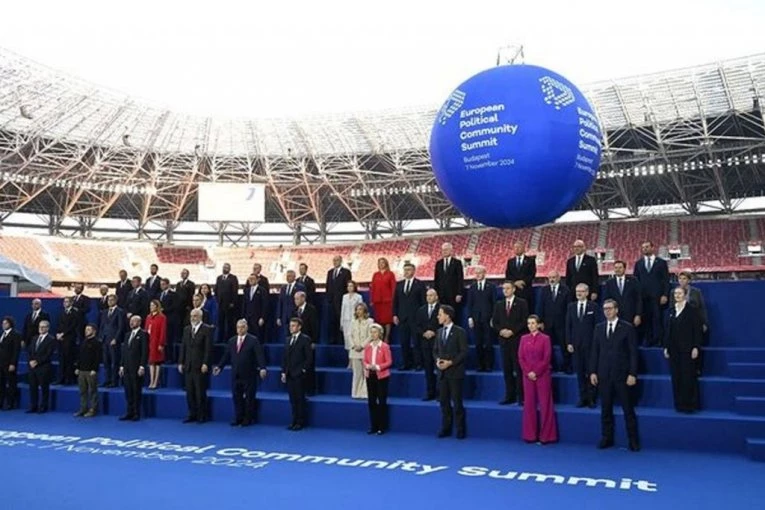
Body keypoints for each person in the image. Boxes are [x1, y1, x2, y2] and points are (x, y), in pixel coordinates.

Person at [590, 299, 640, 451]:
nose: (607, 311)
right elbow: (595, 351)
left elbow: (633, 353)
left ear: (616, 310)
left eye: (610, 308)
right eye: (605, 309)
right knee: (605, 409)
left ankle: (633, 440)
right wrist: (593, 371)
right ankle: (607, 437)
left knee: (628, 409)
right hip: (604, 375)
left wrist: (632, 373)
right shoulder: (599, 328)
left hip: (622, 375)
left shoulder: (627, 328)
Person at [214, 319, 267, 427]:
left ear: (246, 328)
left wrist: (262, 368)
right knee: (236, 397)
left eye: (242, 327)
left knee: (249, 397)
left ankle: (248, 418)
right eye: (238, 327)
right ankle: (238, 417)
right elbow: (226, 356)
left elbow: (259, 355)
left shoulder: (253, 340)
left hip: (249, 374)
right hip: (235, 373)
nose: (240, 329)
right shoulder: (232, 341)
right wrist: (219, 367)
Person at [519, 315, 557, 444]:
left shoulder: (545, 339)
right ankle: (530, 435)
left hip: (542, 375)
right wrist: (528, 372)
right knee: (529, 404)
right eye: (529, 323)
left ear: (539, 325)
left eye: (533, 323)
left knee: (545, 404)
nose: (530, 326)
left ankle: (547, 436)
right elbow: (521, 358)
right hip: (527, 376)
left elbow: (546, 358)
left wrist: (536, 371)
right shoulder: (523, 339)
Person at [664, 287, 703, 413]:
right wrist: (666, 347)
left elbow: (697, 330)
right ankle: (679, 404)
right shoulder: (670, 311)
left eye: (680, 293)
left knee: (688, 377)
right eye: (675, 293)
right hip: (673, 350)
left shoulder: (692, 311)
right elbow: (667, 331)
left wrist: (696, 347)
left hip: (687, 349)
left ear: (685, 295)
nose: (677, 295)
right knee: (676, 377)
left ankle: (690, 405)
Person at [492, 281, 529, 405]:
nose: (505, 291)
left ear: (513, 289)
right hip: (504, 341)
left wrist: (512, 331)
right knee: (507, 369)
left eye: (507, 288)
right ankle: (509, 395)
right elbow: (495, 322)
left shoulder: (522, 303)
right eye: (503, 289)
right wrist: (501, 331)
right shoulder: (499, 304)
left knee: (518, 369)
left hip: (517, 340)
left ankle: (521, 397)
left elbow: (524, 321)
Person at [434, 305, 468, 439]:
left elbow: (464, 351)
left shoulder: (460, 332)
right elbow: (435, 351)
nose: (438, 316)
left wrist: (451, 362)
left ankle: (460, 429)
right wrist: (437, 361)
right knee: (444, 402)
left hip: (455, 372)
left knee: (457, 402)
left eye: (440, 314)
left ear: (447, 315)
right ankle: (446, 428)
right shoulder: (439, 332)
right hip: (442, 374)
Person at [565, 284, 598, 408]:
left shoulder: (594, 306)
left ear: (587, 292)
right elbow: (568, 326)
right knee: (579, 372)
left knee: (591, 372)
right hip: (576, 345)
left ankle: (591, 398)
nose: (579, 293)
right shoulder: (571, 307)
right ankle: (582, 398)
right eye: (577, 291)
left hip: (590, 345)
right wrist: (569, 342)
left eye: (582, 291)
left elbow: (597, 326)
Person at [178, 309, 213, 423]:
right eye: (191, 316)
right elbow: (183, 347)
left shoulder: (207, 329)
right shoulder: (186, 329)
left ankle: (202, 415)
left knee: (200, 392)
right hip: (188, 365)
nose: (193, 318)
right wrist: (180, 362)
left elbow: (208, 349)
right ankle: (192, 414)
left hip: (200, 365)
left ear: (200, 317)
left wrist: (205, 363)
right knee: (189, 392)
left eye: (195, 316)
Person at [633, 241, 670, 346]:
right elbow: (636, 281)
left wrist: (665, 294)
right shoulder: (638, 263)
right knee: (646, 320)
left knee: (658, 319)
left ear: (653, 248)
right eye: (643, 247)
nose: (645, 249)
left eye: (647, 247)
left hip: (657, 297)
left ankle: (659, 341)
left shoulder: (661, 262)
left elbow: (666, 280)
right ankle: (648, 340)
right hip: (643, 297)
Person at [392, 263, 426, 371]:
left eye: (409, 270)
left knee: (416, 342)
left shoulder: (419, 284)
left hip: (415, 318)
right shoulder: (399, 284)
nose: (406, 272)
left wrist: (421, 317)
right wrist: (395, 314)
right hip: (403, 318)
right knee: (404, 342)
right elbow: (395, 301)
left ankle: (418, 364)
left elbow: (423, 302)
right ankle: (406, 363)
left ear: (414, 271)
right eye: (405, 270)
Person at [281, 318, 313, 431]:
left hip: (299, 374)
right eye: (290, 325)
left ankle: (300, 422)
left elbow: (309, 358)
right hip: (289, 374)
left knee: (300, 399)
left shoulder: (305, 339)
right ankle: (293, 420)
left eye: (294, 326)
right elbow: (285, 358)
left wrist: (303, 370)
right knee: (292, 399)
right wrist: (283, 372)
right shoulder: (287, 340)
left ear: (299, 327)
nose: (291, 328)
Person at [537, 272, 571, 372]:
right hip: (547, 323)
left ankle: (567, 366)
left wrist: (567, 322)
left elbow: (568, 308)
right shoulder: (544, 290)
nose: (552, 279)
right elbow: (540, 306)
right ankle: (551, 366)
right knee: (547, 347)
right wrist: (540, 321)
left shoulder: (566, 290)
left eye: (554, 277)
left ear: (559, 278)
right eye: (550, 277)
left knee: (564, 346)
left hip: (561, 323)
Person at [466, 266, 496, 372]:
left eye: (479, 272)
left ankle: (488, 365)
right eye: (476, 273)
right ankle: (480, 365)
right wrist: (470, 317)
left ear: (484, 273)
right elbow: (470, 304)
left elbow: (494, 303)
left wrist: (493, 317)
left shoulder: (491, 286)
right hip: (476, 319)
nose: (477, 275)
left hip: (488, 318)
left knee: (488, 343)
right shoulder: (472, 287)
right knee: (478, 343)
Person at [364, 323, 392, 435]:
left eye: (375, 332)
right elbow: (365, 360)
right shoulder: (368, 347)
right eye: (371, 332)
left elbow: (389, 361)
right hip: (370, 375)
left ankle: (382, 426)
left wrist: (378, 367)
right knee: (371, 401)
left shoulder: (385, 347)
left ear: (380, 333)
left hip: (382, 376)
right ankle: (373, 426)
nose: (373, 334)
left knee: (381, 401)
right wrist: (367, 366)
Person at [119, 316, 148, 421]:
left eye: (134, 321)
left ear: (139, 322)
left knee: (136, 390)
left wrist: (142, 366)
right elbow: (124, 351)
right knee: (128, 391)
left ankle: (136, 413)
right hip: (126, 367)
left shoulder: (143, 334)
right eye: (130, 321)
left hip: (136, 367)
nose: (131, 323)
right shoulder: (127, 335)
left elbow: (144, 352)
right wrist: (121, 365)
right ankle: (129, 412)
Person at [416, 289, 441, 401]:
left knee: (440, 368)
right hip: (425, 342)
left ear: (436, 296)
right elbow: (417, 325)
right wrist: (424, 333)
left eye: (431, 295)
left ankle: (441, 393)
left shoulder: (442, 309)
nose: (429, 297)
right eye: (427, 295)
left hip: (438, 342)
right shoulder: (421, 310)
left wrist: (434, 332)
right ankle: (430, 392)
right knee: (428, 369)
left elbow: (445, 323)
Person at [602, 260, 642, 329]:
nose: (618, 270)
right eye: (616, 268)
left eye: (620, 267)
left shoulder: (633, 281)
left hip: (631, 316)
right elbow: (606, 300)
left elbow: (638, 299)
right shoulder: (609, 283)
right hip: (615, 316)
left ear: (624, 269)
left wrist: (638, 314)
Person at [27, 321, 56, 413]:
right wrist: (31, 361)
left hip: (43, 367)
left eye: (43, 327)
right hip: (33, 367)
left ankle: (43, 406)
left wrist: (37, 362)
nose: (41, 329)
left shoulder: (51, 339)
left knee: (44, 387)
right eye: (40, 327)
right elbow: (30, 351)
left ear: (47, 328)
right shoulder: (34, 338)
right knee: (33, 387)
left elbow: (48, 354)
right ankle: (33, 406)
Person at [74, 324, 101, 418]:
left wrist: (94, 369)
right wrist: (77, 367)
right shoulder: (83, 341)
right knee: (82, 391)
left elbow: (97, 357)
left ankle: (93, 409)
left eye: (88, 329)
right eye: (86, 329)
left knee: (92, 391)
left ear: (94, 331)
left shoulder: (97, 342)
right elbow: (79, 356)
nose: (86, 331)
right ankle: (83, 408)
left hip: (91, 371)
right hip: (81, 370)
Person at [99, 294, 125, 388]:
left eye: (111, 300)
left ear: (115, 301)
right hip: (105, 339)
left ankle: (114, 381)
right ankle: (107, 380)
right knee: (106, 362)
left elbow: (120, 327)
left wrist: (116, 339)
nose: (109, 302)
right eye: (108, 300)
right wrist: (101, 337)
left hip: (113, 340)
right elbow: (102, 325)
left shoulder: (120, 311)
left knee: (114, 362)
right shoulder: (105, 312)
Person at [326, 256, 352, 345]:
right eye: (334, 260)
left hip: (342, 301)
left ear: (341, 261)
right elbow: (328, 286)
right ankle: (332, 339)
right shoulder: (330, 272)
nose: (335, 262)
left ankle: (341, 340)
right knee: (332, 321)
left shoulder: (346, 272)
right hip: (332, 301)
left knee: (341, 320)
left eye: (337, 260)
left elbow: (347, 285)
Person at [349, 302, 372, 399]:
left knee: (366, 373)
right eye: (357, 309)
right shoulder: (353, 321)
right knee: (357, 373)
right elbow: (349, 335)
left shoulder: (370, 321)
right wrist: (354, 345)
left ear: (365, 311)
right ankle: (356, 393)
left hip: (365, 350)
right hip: (354, 351)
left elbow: (370, 336)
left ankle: (365, 393)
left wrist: (362, 346)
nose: (359, 311)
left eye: (360, 309)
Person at [505, 241, 536, 313]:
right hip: (514, 291)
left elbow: (532, 274)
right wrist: (515, 283)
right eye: (515, 247)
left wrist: (523, 281)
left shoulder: (530, 260)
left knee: (526, 311)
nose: (517, 249)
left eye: (519, 247)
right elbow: (508, 275)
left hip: (526, 290)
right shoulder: (510, 261)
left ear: (523, 248)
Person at [370, 257, 396, 342]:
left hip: (387, 300)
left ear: (386, 264)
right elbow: (373, 287)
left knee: (387, 319)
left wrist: (393, 299)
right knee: (379, 319)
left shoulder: (390, 274)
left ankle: (387, 337)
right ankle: (379, 337)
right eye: (379, 263)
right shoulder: (375, 275)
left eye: (383, 262)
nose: (381, 264)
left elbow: (393, 287)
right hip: (377, 301)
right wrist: (372, 299)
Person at [56, 297, 80, 385]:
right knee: (61, 360)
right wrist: (58, 334)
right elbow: (59, 324)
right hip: (61, 339)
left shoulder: (75, 312)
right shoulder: (62, 313)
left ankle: (68, 379)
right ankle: (60, 378)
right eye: (64, 301)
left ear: (71, 303)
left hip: (70, 339)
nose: (65, 303)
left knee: (69, 360)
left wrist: (63, 334)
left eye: (66, 301)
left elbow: (73, 325)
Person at [434, 242, 464, 311]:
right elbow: (436, 279)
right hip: (441, 295)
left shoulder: (457, 263)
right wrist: (436, 294)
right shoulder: (438, 263)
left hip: (453, 294)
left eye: (446, 249)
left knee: (453, 314)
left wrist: (459, 293)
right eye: (443, 250)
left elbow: (460, 279)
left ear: (451, 250)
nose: (444, 251)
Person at [0, 317, 22, 410]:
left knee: (11, 384)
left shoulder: (16, 334)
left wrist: (13, 363)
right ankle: (1, 402)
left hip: (9, 364)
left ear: (10, 324)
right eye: (2, 323)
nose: (3, 325)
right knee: (1, 384)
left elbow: (16, 351)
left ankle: (11, 403)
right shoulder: (2, 334)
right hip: (1, 363)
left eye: (5, 323)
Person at [215, 263, 239, 343]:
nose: (226, 268)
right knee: (220, 322)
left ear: (230, 269)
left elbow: (235, 291)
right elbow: (216, 289)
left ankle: (229, 338)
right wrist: (217, 299)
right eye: (225, 267)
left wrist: (233, 302)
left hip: (229, 304)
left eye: (227, 267)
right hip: (220, 304)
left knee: (229, 322)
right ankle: (220, 338)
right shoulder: (219, 278)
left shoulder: (233, 278)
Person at [145, 299, 167, 389]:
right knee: (151, 362)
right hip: (149, 341)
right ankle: (151, 381)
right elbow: (146, 329)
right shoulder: (148, 317)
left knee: (157, 362)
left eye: (153, 306)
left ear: (157, 307)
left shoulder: (162, 317)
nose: (151, 307)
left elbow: (163, 331)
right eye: (150, 306)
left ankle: (155, 381)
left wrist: (161, 343)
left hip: (157, 342)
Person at [276, 270, 305, 335]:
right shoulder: (283, 288)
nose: (287, 278)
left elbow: (302, 301)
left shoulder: (300, 287)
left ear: (294, 277)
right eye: (287, 276)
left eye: (289, 276)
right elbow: (280, 302)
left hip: (295, 314)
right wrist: (278, 316)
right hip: (285, 315)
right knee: (286, 335)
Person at [242, 273, 268, 339]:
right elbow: (244, 304)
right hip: (248, 318)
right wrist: (243, 317)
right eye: (250, 279)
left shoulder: (262, 290)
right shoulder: (247, 291)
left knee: (257, 336)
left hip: (257, 317)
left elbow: (264, 305)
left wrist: (262, 317)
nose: (251, 280)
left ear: (257, 280)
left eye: (253, 279)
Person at [340, 280, 364, 348]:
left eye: (351, 286)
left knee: (354, 337)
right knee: (347, 338)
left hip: (355, 319)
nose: (349, 288)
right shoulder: (344, 297)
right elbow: (343, 309)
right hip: (346, 320)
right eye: (348, 286)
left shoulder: (358, 297)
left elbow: (361, 309)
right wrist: (341, 322)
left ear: (354, 287)